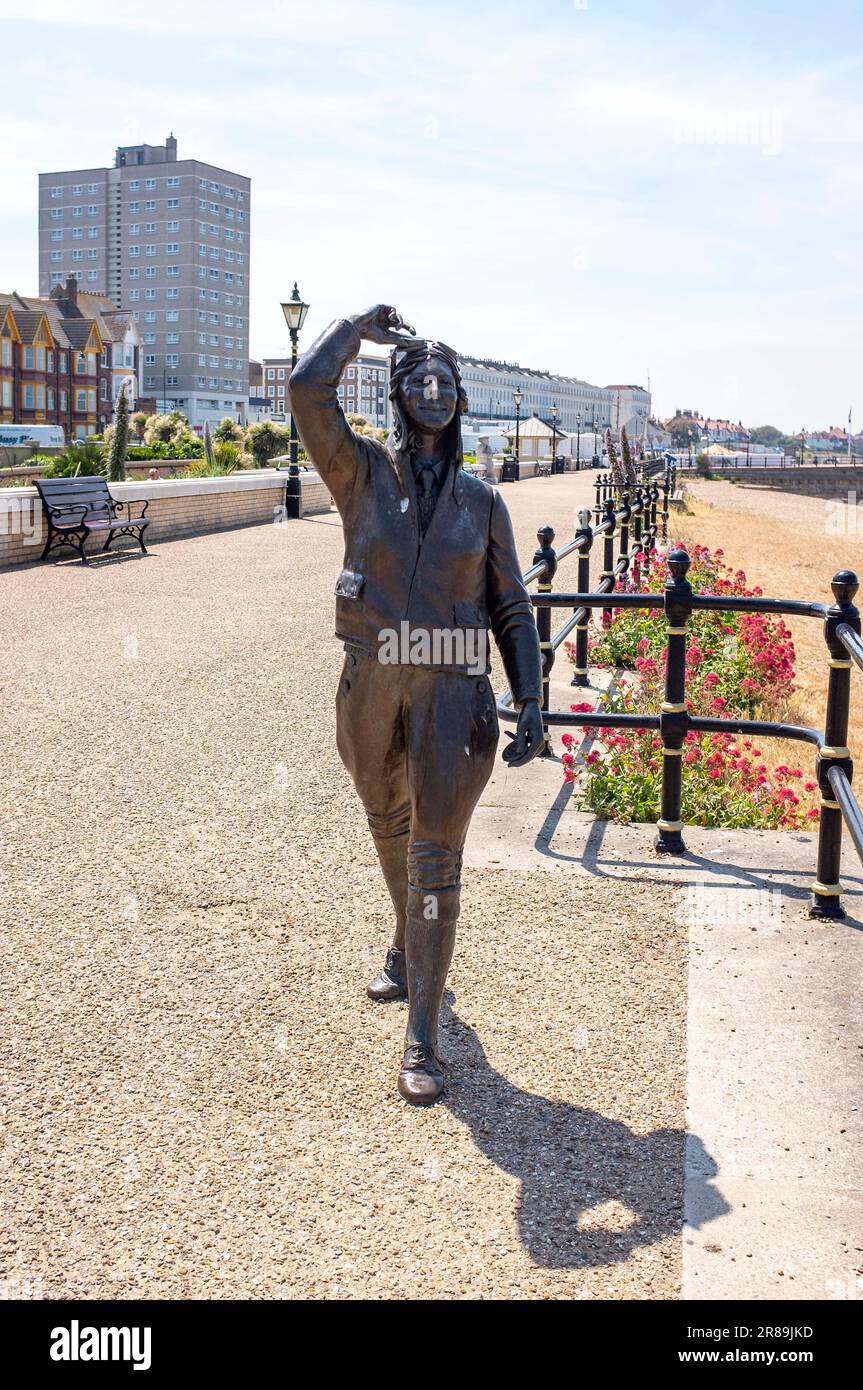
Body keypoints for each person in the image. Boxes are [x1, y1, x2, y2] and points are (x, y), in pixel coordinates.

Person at [290, 305, 545, 1104]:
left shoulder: (481, 501)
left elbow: (509, 607)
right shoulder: (359, 474)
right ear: (399, 394)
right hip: (371, 683)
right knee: (386, 823)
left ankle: (423, 1038)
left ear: (460, 400)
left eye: (446, 381)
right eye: (419, 379)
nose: (433, 390)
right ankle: (406, 945)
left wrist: (530, 697)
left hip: (452, 695)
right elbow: (305, 389)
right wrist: (355, 328)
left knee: (434, 851)